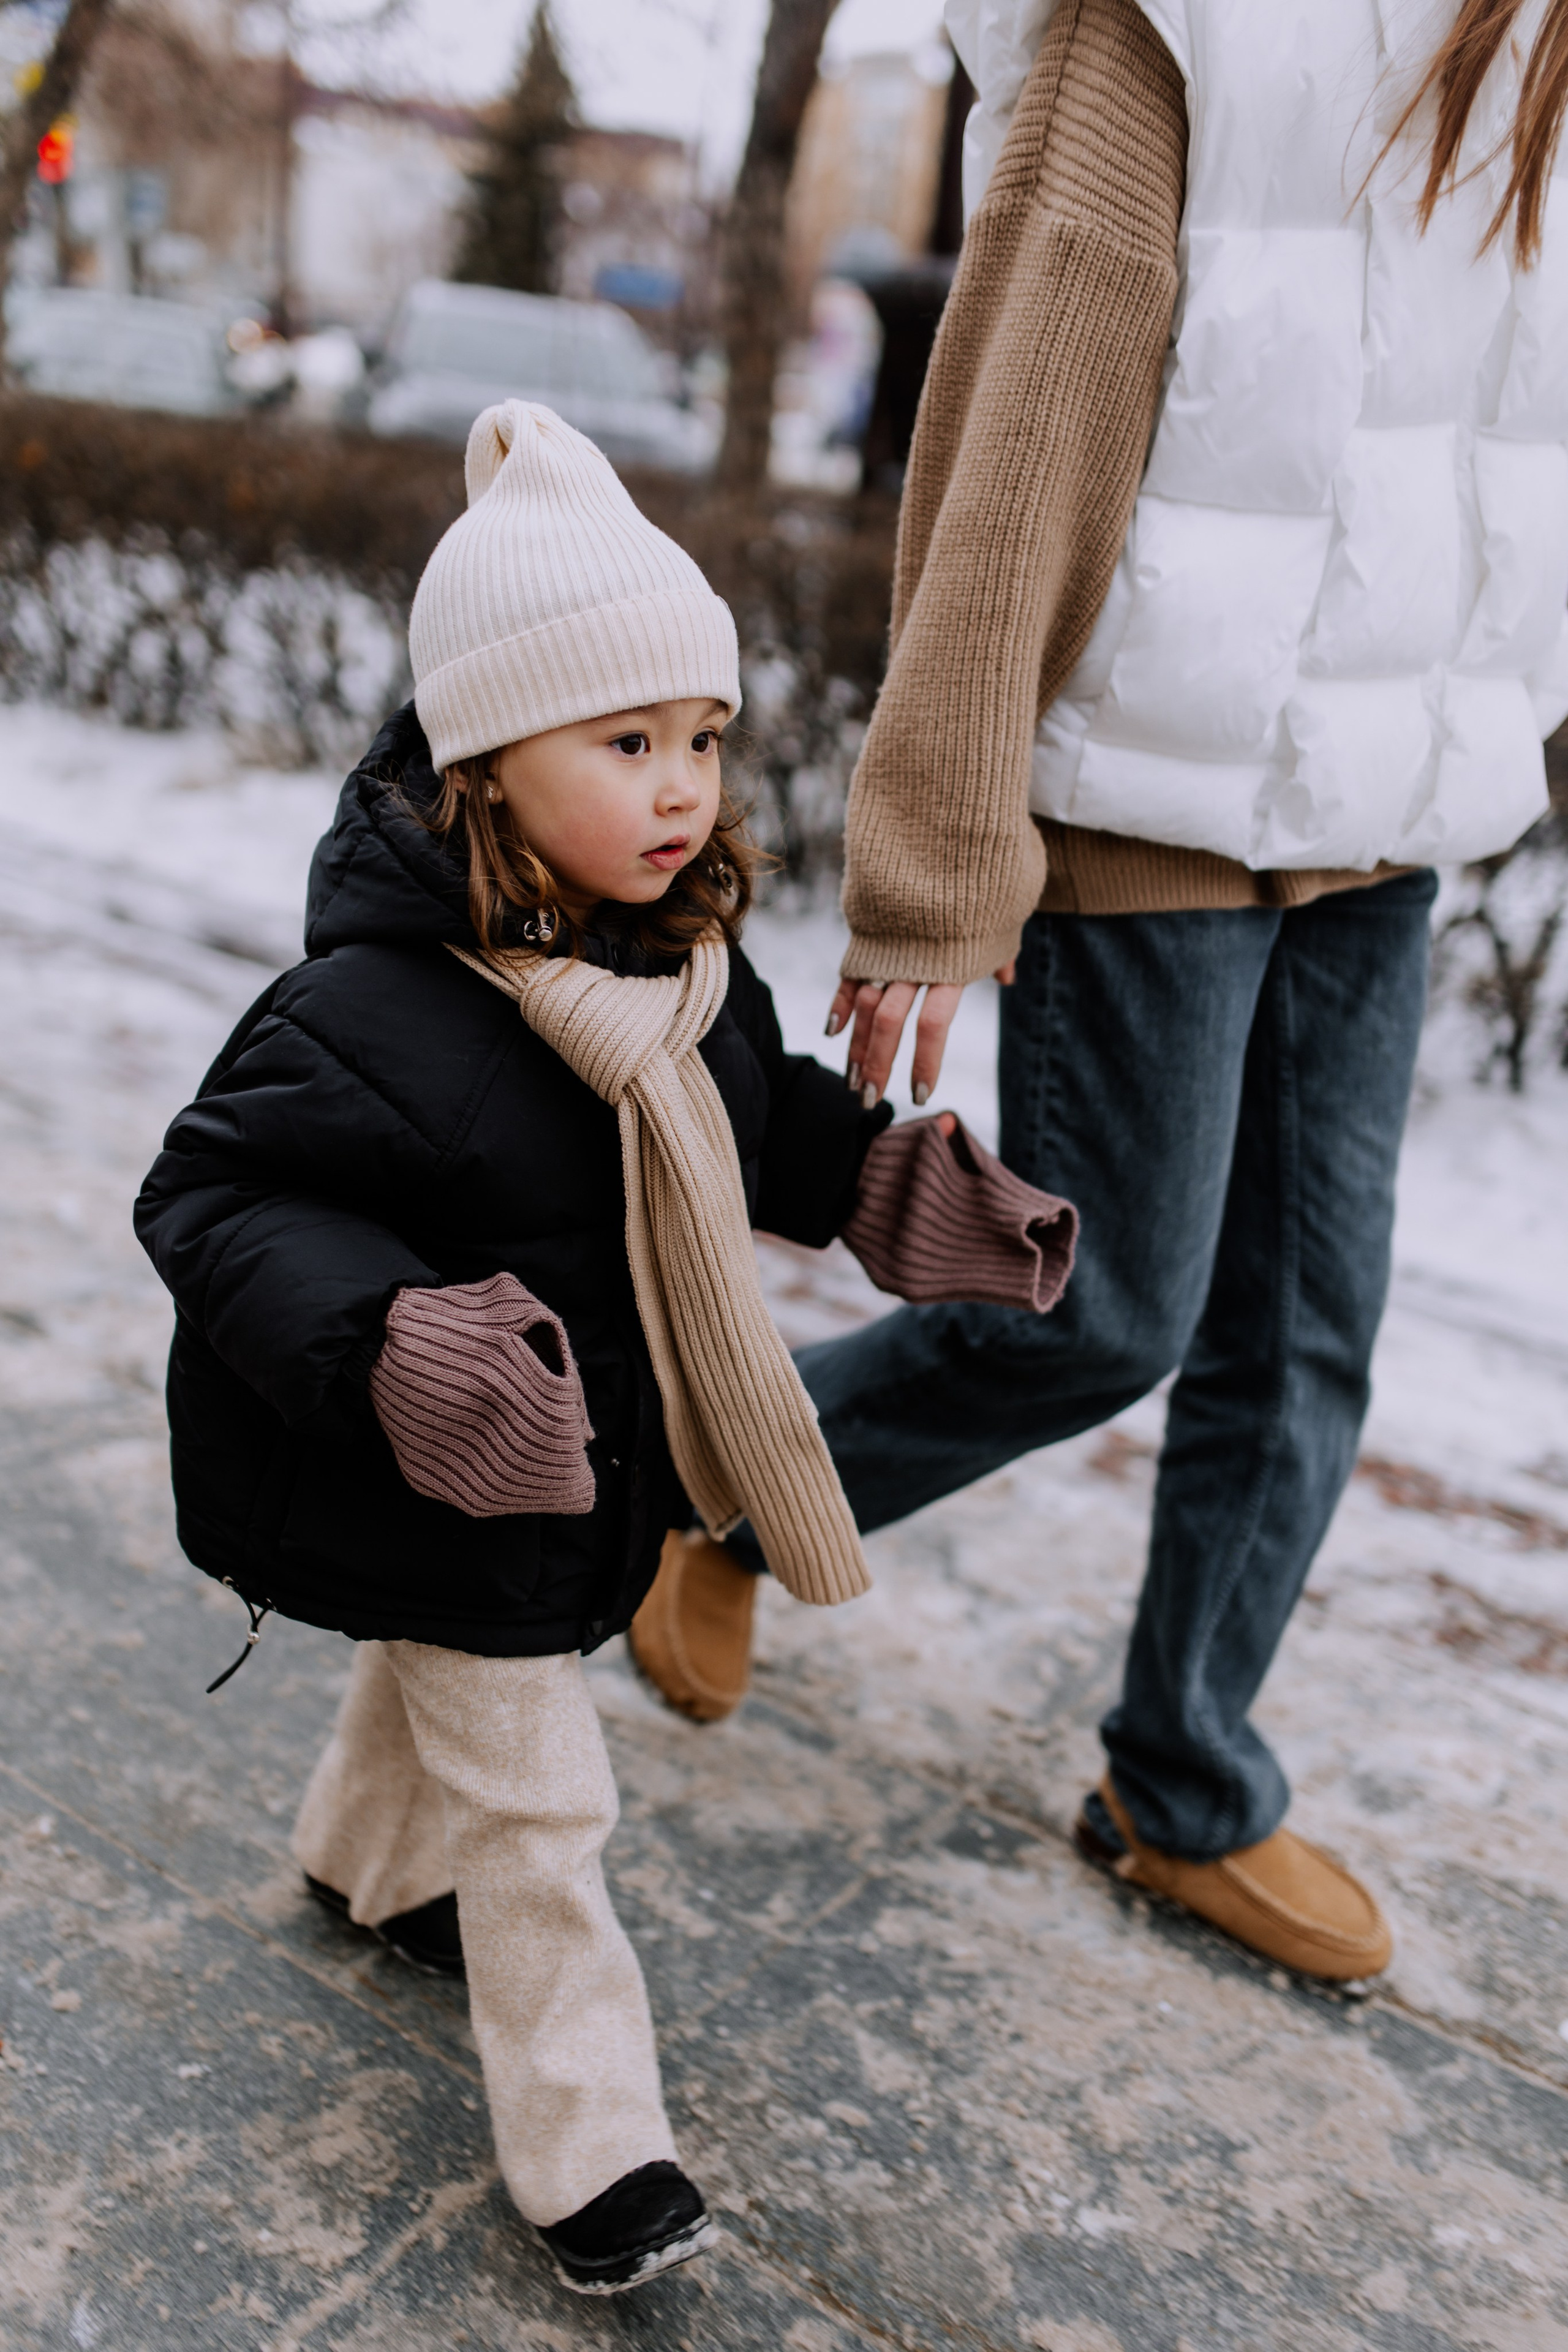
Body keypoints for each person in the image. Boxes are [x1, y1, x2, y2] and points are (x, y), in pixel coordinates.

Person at [630, 0, 1568, 1984]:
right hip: (1148, 802)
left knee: (1310, 1332)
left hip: (1381, 820)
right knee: (1099, 1309)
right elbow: (1014, 428)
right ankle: (707, 1489)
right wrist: (943, 854)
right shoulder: (1188, 30)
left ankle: (1185, 1777)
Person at [134, 401, 1074, 2296]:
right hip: (440, 1467)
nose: (682, 789)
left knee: (448, 1693)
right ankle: (591, 2153)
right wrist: (398, 1336)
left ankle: (362, 1861)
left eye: (705, 740)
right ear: (485, 762)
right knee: (547, 1808)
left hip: (573, 1484)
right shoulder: (370, 1010)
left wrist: (896, 1185)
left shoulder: (672, 978)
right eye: (627, 741)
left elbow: (766, 1126)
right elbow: (215, 1204)